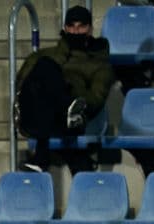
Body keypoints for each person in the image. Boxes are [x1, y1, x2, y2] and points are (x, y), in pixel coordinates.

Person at [15, 5, 114, 173]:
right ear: (65, 28)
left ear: (90, 29)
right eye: (72, 26)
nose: (76, 31)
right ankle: (67, 106)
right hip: (34, 116)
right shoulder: (43, 56)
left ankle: (41, 156)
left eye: (81, 27)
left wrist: (72, 94)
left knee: (47, 68)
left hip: (71, 122)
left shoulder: (99, 64)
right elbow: (22, 85)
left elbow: (96, 99)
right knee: (46, 68)